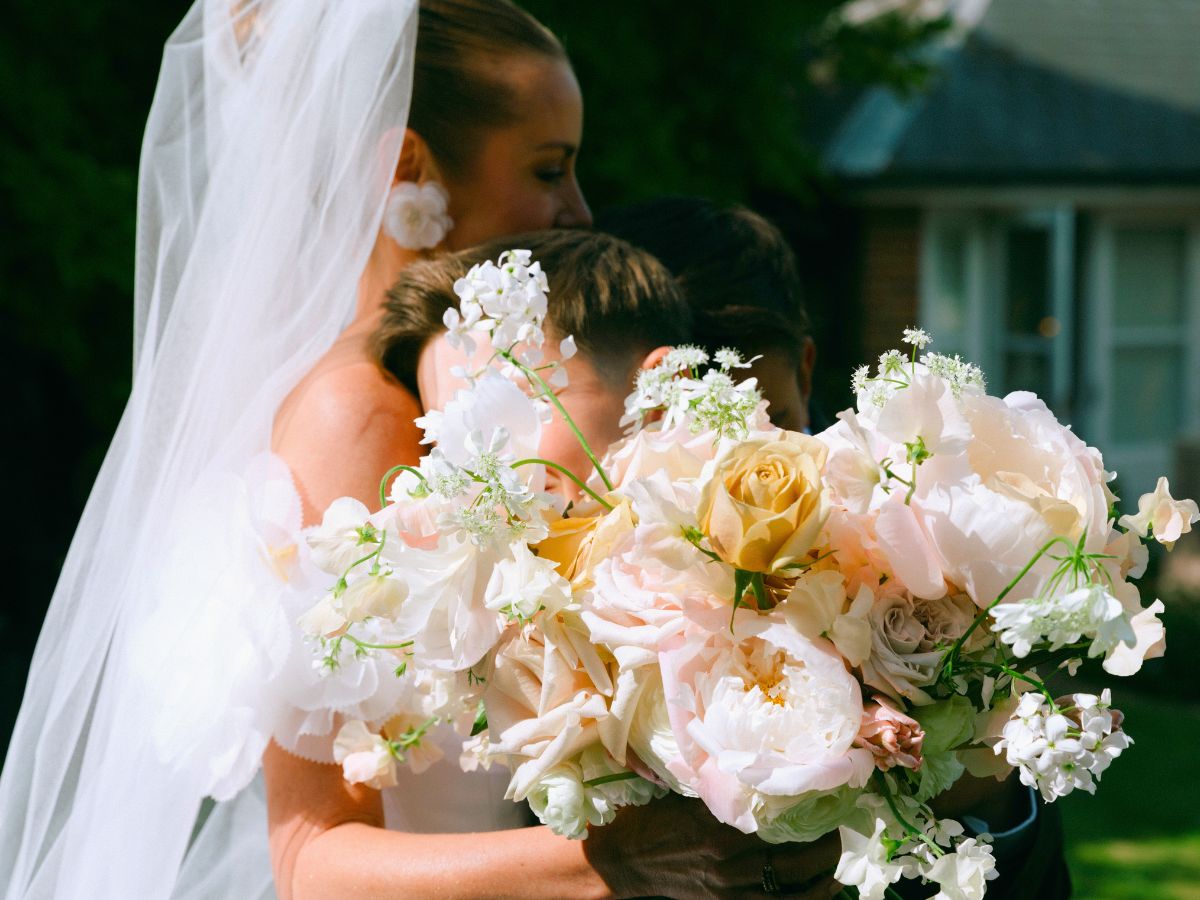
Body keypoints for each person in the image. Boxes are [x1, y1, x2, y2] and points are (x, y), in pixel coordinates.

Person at [600, 196, 1072, 899]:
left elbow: (1031, 867)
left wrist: (989, 792)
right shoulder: (591, 544)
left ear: (807, 368)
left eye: (771, 422)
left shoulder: (930, 539)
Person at [353, 227, 846, 899]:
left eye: (517, 409)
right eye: (453, 439)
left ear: (662, 389)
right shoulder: (487, 626)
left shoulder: (818, 559)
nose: (481, 471)